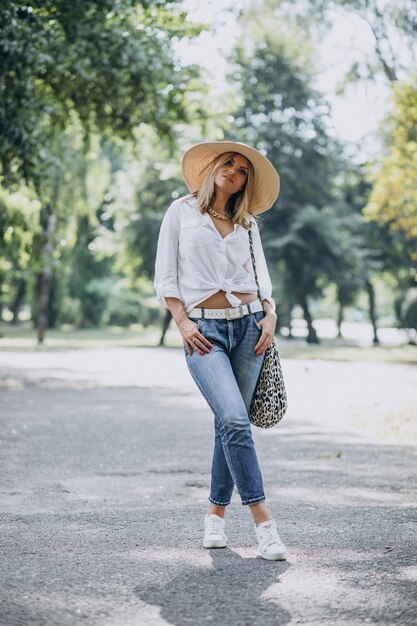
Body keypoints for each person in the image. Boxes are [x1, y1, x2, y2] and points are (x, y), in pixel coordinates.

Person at [154, 141, 287, 561]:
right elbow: (166, 275)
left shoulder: (248, 224)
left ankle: (215, 516)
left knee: (228, 426)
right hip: (204, 332)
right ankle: (264, 523)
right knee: (232, 418)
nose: (234, 171)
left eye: (243, 169)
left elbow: (261, 277)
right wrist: (182, 321)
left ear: (247, 182)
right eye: (228, 163)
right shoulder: (180, 212)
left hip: (251, 329)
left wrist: (270, 315)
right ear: (212, 168)